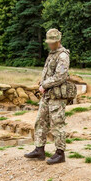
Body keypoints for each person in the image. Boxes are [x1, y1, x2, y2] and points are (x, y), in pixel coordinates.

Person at [24, 28, 71, 165]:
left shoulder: (63, 56)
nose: (50, 44)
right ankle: (39, 149)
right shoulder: (52, 54)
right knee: (40, 120)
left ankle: (60, 153)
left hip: (57, 96)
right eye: (49, 42)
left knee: (58, 124)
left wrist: (44, 85)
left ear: (58, 41)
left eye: (53, 42)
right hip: (48, 95)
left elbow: (60, 77)